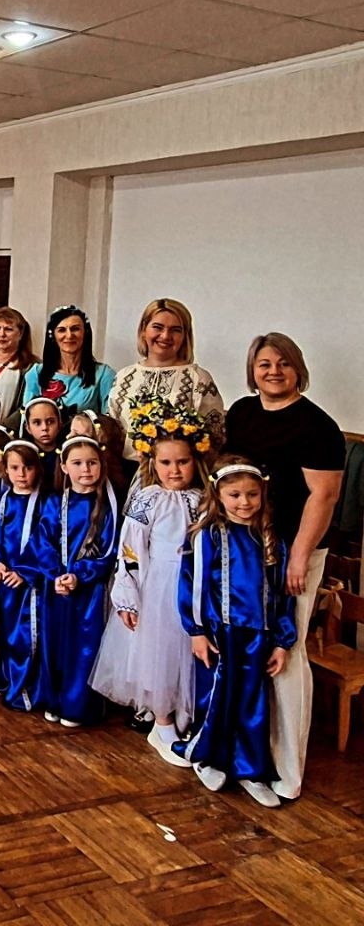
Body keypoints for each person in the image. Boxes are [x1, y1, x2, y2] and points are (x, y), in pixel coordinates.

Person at [224, 332, 344, 800]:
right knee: (247, 648)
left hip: (295, 552)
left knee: (285, 650)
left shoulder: (317, 425)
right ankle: (246, 753)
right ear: (252, 371)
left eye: (283, 363)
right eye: (264, 364)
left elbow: (324, 496)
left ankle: (288, 768)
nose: (273, 371)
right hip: (249, 546)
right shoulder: (242, 413)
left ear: (298, 369)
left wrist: (298, 556)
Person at [90, 400, 209, 761]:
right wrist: (128, 596)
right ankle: (162, 722)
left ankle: (185, 715)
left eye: (183, 462)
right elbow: (129, 549)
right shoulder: (147, 500)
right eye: (166, 462)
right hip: (157, 585)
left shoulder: (203, 500)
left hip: (193, 586)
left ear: (195, 461)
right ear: (152, 463)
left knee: (187, 654)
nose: (175, 470)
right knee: (159, 655)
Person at [176, 457, 296, 808]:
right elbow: (192, 585)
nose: (244, 502)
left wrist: (282, 641)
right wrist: (196, 630)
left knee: (252, 701)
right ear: (218, 495)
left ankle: (250, 769)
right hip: (219, 633)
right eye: (235, 495)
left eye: (252, 495)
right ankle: (207, 757)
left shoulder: (271, 538)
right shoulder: (208, 535)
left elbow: (282, 594)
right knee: (216, 696)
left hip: (259, 635)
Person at [23, 435, 118, 726]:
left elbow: (110, 549)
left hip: (89, 592)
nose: (85, 469)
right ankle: (54, 699)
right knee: (55, 643)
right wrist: (55, 575)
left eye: (92, 463)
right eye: (77, 463)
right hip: (56, 588)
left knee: (84, 647)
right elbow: (41, 541)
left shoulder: (108, 507)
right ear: (64, 467)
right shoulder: (55, 503)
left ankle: (77, 706)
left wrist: (80, 575)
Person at [107, 299, 224, 466]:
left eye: (175, 330)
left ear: (185, 336)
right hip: (126, 472)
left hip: (178, 475)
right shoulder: (124, 376)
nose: (165, 336)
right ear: (143, 330)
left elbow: (215, 438)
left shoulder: (198, 378)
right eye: (158, 327)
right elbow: (112, 431)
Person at [0, 439, 46, 712]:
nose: (22, 474)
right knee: (7, 633)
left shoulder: (46, 503)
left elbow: (46, 543)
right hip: (5, 580)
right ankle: (8, 676)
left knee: (28, 634)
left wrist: (25, 571)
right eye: (15, 468)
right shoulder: (0, 502)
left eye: (28, 468)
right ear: (6, 470)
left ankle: (27, 688)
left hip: (31, 584)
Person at [22, 306, 114, 416]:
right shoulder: (36, 373)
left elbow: (109, 420)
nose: (69, 335)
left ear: (85, 333)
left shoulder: (103, 374)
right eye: (62, 330)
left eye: (75, 329)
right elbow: (26, 418)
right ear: (53, 335)